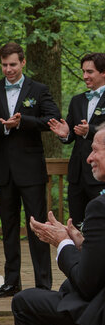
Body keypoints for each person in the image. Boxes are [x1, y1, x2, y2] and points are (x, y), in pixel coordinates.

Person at [0, 125, 105, 325]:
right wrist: (82, 243)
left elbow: (86, 282)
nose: (88, 158)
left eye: (95, 150)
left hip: (101, 311)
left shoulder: (101, 207)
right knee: (67, 296)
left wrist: (64, 244)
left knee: (27, 302)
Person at [0, 40, 61, 297]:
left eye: (13, 64)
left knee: (38, 227)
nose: (8, 69)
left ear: (23, 62)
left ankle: (43, 285)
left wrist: (22, 121)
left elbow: (52, 118)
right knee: (9, 227)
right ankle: (11, 282)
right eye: (4, 65)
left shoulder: (38, 89)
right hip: (3, 169)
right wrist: (4, 127)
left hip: (30, 170)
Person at [48, 52, 105, 227]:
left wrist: (91, 131)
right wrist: (65, 134)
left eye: (90, 72)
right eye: (83, 72)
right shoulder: (77, 100)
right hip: (77, 175)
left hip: (101, 175)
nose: (85, 76)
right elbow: (72, 134)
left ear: (103, 72)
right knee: (77, 225)